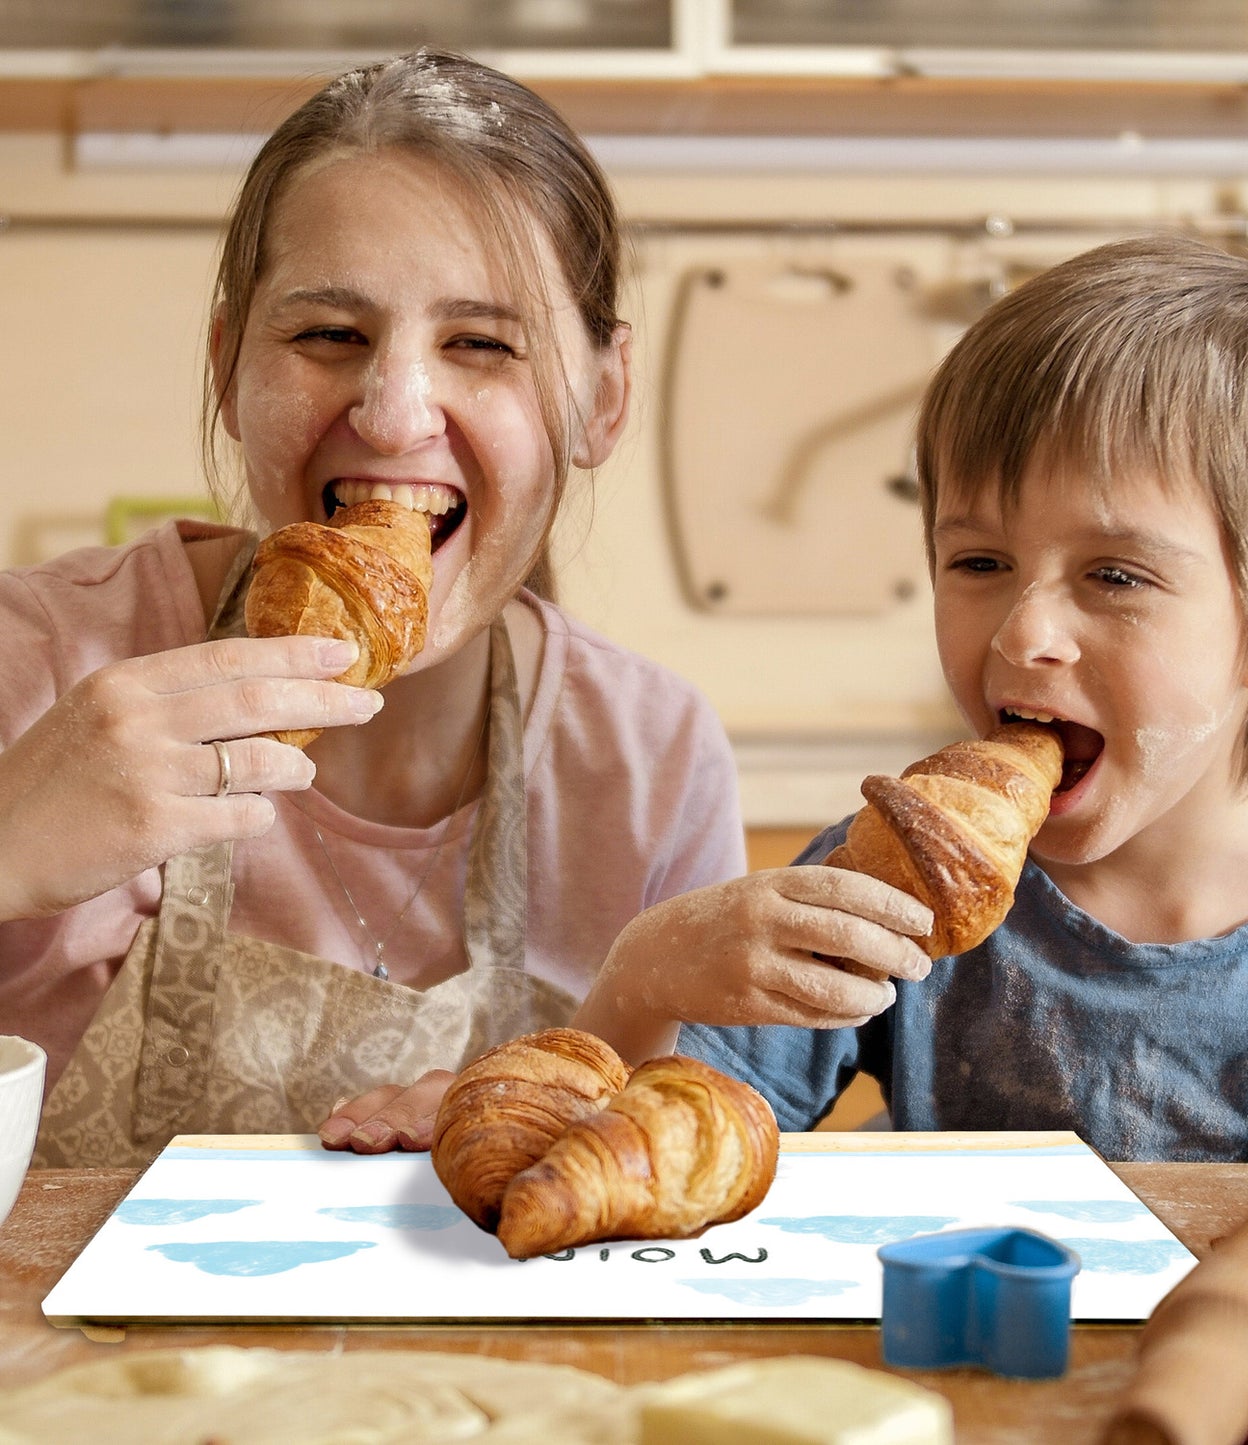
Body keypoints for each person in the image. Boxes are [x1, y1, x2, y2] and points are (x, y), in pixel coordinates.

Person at [5, 48, 749, 1168]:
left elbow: (690, 1171)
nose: (397, 413)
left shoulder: (647, 760)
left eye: (482, 344)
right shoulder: (42, 662)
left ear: (601, 398)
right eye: (326, 335)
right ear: (226, 367)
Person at [583, 233, 1248, 1189]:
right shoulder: (890, 879)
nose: (1022, 632)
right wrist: (642, 975)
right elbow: (652, 1155)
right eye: (980, 563)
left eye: (1114, 574)